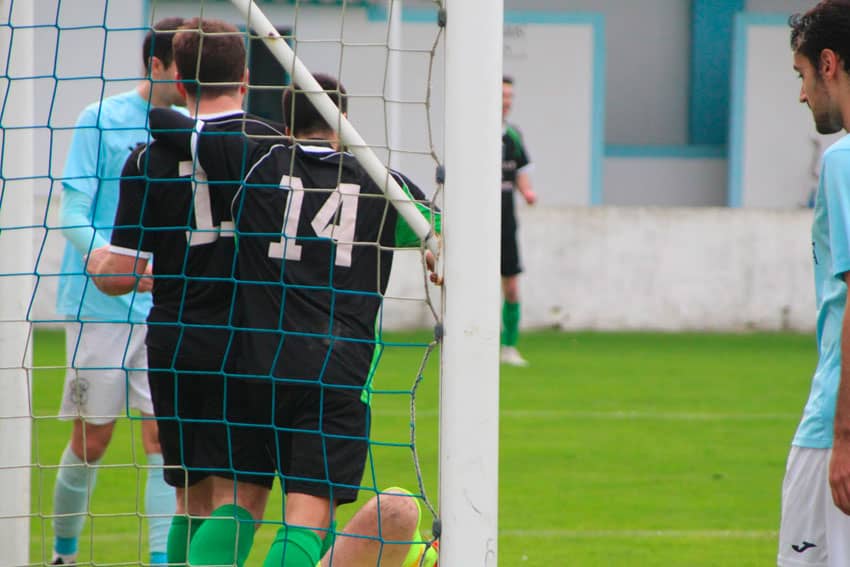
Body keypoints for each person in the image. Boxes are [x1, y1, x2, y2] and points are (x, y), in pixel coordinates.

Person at [147, 71, 441, 567]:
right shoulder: (381, 182)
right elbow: (435, 228)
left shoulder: (255, 162)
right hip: (334, 372)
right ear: (342, 121)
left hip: (251, 364)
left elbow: (165, 121)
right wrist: (435, 246)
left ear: (284, 125)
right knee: (307, 519)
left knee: (236, 505)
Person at [87, 18, 287, 567]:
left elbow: (119, 274)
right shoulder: (272, 147)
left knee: (190, 499)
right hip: (247, 341)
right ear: (245, 79)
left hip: (175, 342)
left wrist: (97, 263)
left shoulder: (146, 158)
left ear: (179, 82)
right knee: (240, 498)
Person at [51, 17, 185, 565]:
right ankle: (62, 554)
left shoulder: (195, 126)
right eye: (183, 66)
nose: (191, 78)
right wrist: (111, 260)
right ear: (156, 65)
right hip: (99, 308)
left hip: (167, 306)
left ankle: (160, 560)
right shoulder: (100, 119)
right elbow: (72, 213)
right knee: (92, 441)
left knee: (164, 442)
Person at [780, 3, 850, 565]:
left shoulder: (842, 162)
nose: (802, 95)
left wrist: (843, 437)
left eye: (802, 74)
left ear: (828, 64)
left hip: (833, 427)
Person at [499, 76, 536, 367]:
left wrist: (527, 192)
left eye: (510, 96)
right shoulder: (475, 132)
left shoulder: (513, 135)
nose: (507, 101)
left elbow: (521, 171)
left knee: (511, 285)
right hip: (477, 220)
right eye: (503, 95)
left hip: (506, 216)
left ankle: (509, 347)